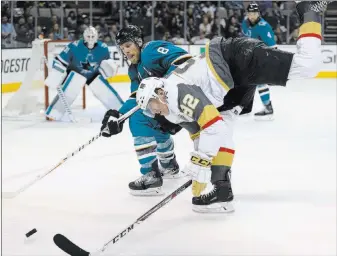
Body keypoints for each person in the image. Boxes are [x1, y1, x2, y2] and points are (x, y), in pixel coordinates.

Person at [135, 1, 328, 213]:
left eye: (152, 107)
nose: (153, 112)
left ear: (159, 94)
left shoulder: (176, 92)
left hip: (235, 59)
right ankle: (222, 192)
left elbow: (212, 127)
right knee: (223, 131)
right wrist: (199, 176)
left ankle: (308, 10)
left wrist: (200, 161)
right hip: (229, 85)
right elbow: (202, 135)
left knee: (307, 65)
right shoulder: (171, 112)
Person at [100, 25, 192, 196]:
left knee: (139, 118)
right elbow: (138, 97)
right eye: (122, 49)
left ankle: (150, 174)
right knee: (150, 117)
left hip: (190, 99)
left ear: (139, 42)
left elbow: (185, 60)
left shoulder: (151, 50)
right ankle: (168, 165)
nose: (125, 51)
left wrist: (163, 83)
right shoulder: (134, 70)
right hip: (172, 106)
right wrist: (118, 115)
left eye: (128, 45)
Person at [45, 26, 123, 121]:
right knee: (72, 87)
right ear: (84, 36)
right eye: (88, 36)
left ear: (97, 36)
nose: (90, 38)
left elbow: (107, 64)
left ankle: (120, 110)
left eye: (92, 36)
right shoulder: (74, 46)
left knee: (102, 88)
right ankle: (54, 112)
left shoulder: (103, 48)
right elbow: (60, 60)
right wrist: (57, 73)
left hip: (93, 74)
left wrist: (110, 68)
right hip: (75, 72)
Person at [242, 2, 276, 120]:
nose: (252, 15)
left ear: (258, 13)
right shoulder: (245, 23)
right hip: (249, 57)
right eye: (250, 13)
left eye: (254, 13)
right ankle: (247, 107)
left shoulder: (264, 26)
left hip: (262, 58)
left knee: (259, 83)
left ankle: (268, 108)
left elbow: (272, 46)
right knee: (246, 82)